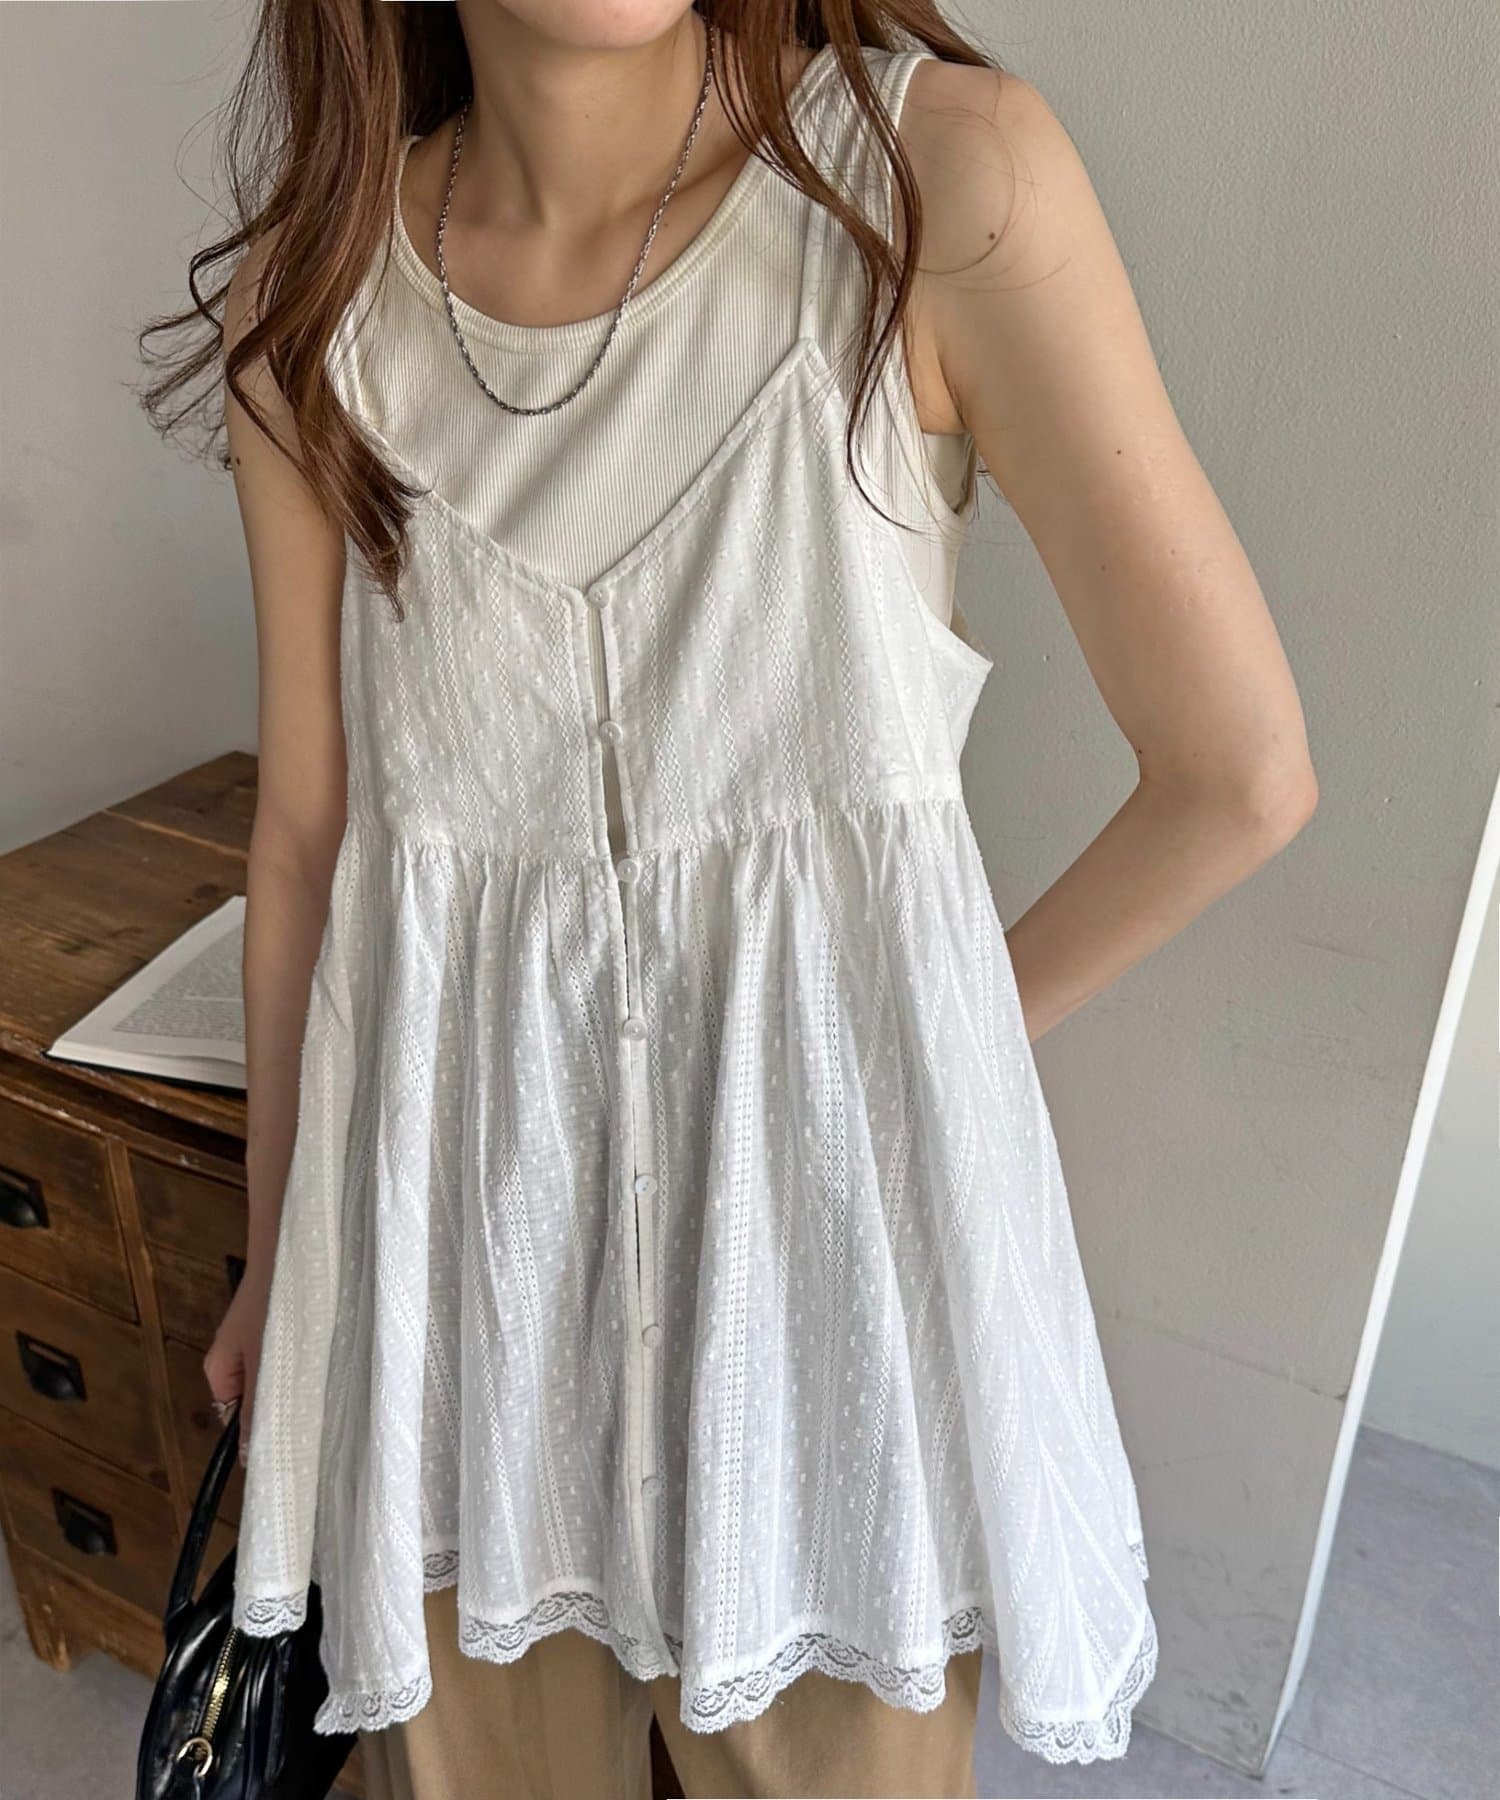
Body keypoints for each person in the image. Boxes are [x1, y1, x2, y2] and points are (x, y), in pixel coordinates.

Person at [140, 3, 1316, 1796]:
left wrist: (906, 1064)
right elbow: (308, 841)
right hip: (457, 1310)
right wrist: (286, 1258)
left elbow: (1239, 773)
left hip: (821, 1329)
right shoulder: (314, 307)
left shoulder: (931, 187)